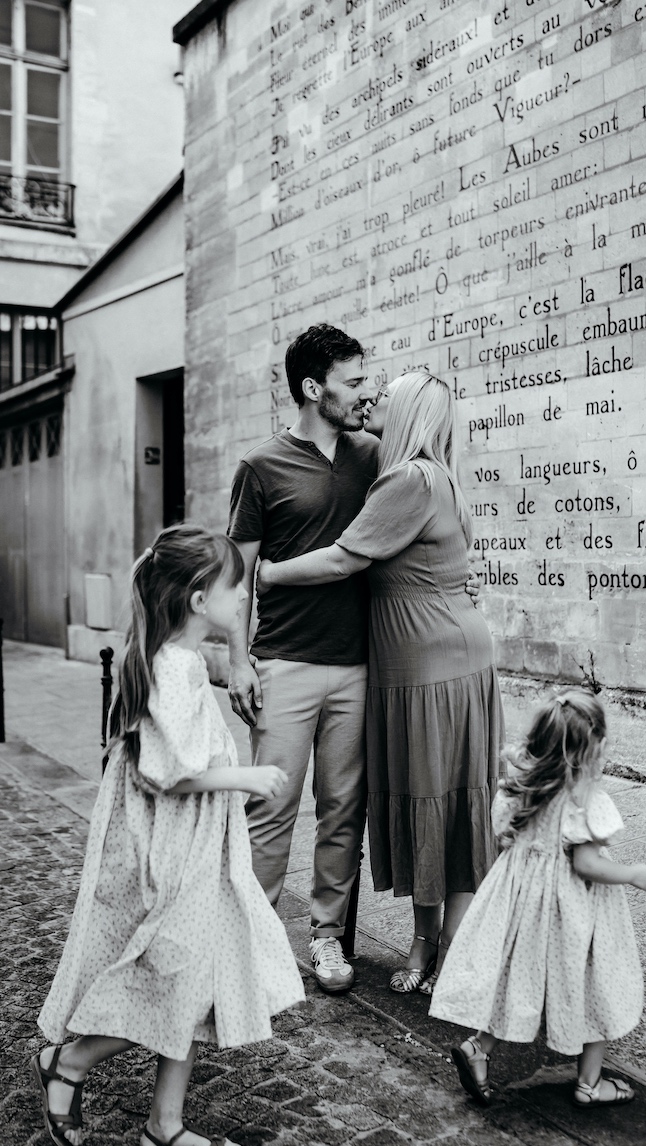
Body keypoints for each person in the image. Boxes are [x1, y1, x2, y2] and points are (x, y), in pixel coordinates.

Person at [33, 526, 305, 1146]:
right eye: (233, 588)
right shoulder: (175, 668)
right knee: (170, 975)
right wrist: (247, 776)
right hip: (173, 852)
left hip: (188, 846)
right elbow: (170, 772)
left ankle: (165, 1123)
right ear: (197, 600)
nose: (242, 599)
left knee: (193, 978)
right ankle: (69, 1062)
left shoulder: (176, 659)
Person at [258, 371, 503, 995]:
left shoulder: (407, 479)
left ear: (409, 413)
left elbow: (344, 558)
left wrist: (269, 574)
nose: (373, 400)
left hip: (431, 667)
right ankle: (434, 950)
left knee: (441, 807)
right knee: (438, 807)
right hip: (426, 659)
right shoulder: (426, 475)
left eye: (385, 395)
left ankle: (454, 962)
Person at [227, 324, 377, 994]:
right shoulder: (261, 466)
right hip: (283, 660)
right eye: (353, 381)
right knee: (272, 807)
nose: (363, 393)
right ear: (314, 388)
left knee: (344, 806)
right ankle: (249, 942)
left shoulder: (371, 456)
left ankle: (326, 940)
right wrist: (236, 660)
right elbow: (237, 575)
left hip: (355, 663)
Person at [429, 690, 646, 1110]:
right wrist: (632, 875)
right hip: (572, 908)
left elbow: (503, 838)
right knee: (595, 981)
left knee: (519, 977)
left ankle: (479, 1049)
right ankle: (589, 1084)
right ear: (587, 752)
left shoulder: (519, 787)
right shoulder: (583, 801)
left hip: (522, 903)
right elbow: (586, 863)